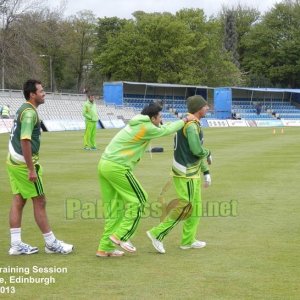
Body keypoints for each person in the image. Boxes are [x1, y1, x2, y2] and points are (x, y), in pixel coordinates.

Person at [96, 102, 197, 257]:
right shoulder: (146, 127)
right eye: (160, 117)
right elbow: (166, 130)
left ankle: (105, 248)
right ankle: (121, 236)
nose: (161, 119)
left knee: (114, 208)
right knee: (140, 199)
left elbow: (163, 127)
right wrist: (184, 120)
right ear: (152, 118)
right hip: (117, 167)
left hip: (105, 165)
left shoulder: (139, 123)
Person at [7, 79, 73, 255]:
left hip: (13, 161)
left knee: (19, 200)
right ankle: (51, 243)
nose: (44, 94)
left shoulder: (23, 108)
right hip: (23, 164)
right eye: (41, 91)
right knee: (40, 200)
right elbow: (25, 140)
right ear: (32, 94)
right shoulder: (29, 113)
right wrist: (30, 169)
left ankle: (15, 244)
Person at [146, 95, 212, 254]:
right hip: (185, 173)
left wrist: (206, 172)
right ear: (198, 108)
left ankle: (188, 240)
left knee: (195, 208)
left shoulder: (192, 123)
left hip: (191, 172)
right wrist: (209, 153)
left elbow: (196, 152)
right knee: (185, 207)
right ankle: (157, 234)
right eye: (205, 106)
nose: (208, 108)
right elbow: (197, 150)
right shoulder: (191, 125)